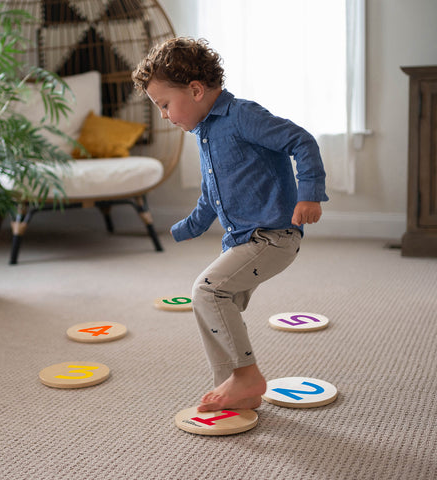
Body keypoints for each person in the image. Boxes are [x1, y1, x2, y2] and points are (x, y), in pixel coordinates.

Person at [132, 37, 328, 413]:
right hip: (242, 242)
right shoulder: (205, 134)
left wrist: (310, 194)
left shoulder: (242, 116)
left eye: (165, 105)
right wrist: (186, 228)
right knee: (214, 305)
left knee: (207, 291)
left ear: (195, 89)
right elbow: (211, 197)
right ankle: (236, 388)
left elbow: (301, 141)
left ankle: (246, 375)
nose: (164, 115)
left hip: (273, 235)